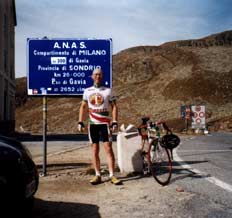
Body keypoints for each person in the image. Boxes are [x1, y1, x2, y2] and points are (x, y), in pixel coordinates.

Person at [78, 68, 121, 185]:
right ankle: (98, 175)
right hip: (93, 125)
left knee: (108, 148)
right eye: (96, 74)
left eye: (100, 75)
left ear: (102, 76)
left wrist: (115, 121)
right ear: (92, 76)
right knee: (95, 149)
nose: (98, 76)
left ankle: (112, 175)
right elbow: (82, 107)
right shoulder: (87, 91)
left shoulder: (108, 91)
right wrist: (80, 122)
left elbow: (114, 107)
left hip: (105, 124)